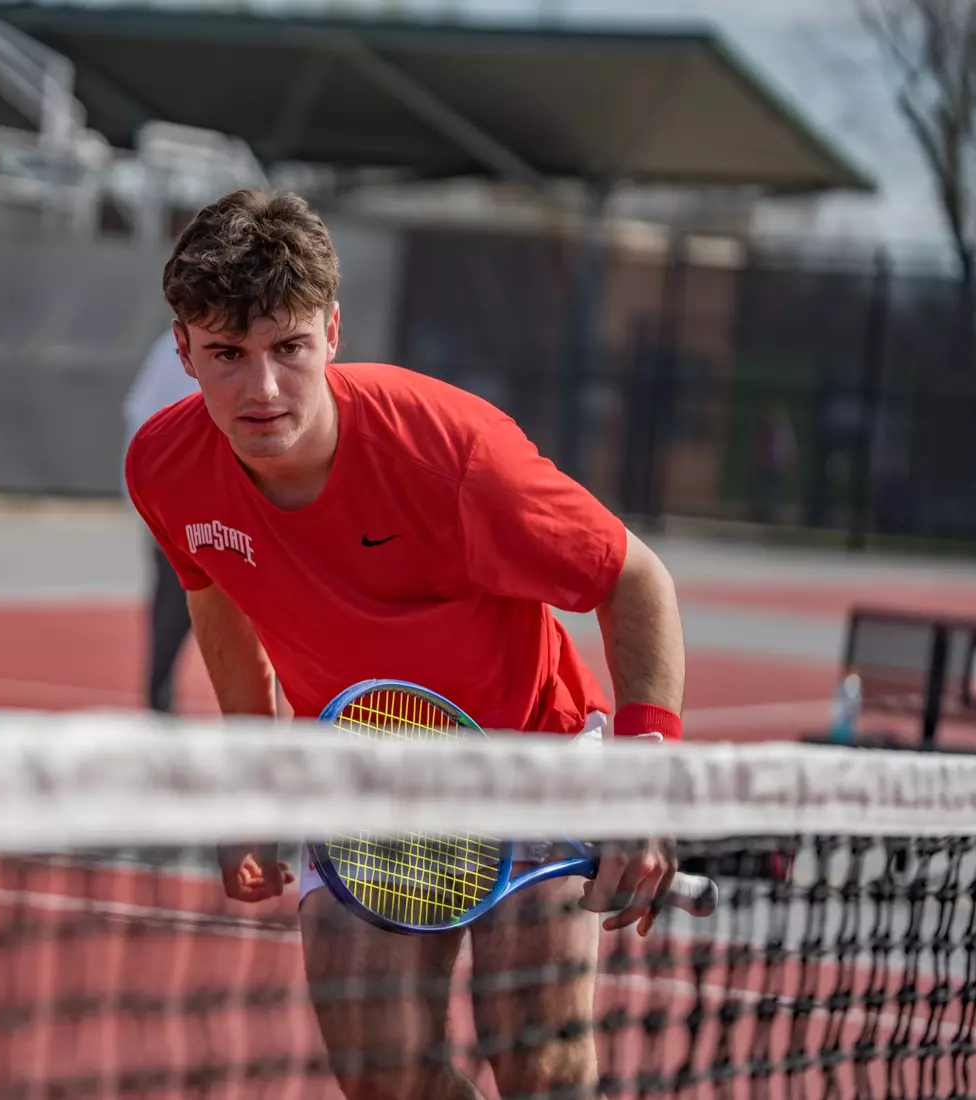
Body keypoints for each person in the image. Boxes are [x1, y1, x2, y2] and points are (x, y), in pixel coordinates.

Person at [123, 189, 688, 1100]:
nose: (261, 391)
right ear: (183, 350)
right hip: (367, 776)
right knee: (381, 1074)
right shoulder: (164, 467)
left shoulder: (455, 458)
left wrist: (644, 779)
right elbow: (218, 600)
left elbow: (636, 580)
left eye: (288, 349)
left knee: (537, 1061)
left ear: (332, 333)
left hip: (531, 762)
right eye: (226, 354)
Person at [124, 330, 202, 713]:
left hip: (219, 516)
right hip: (179, 520)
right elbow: (141, 421)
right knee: (171, 626)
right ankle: (159, 718)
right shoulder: (170, 353)